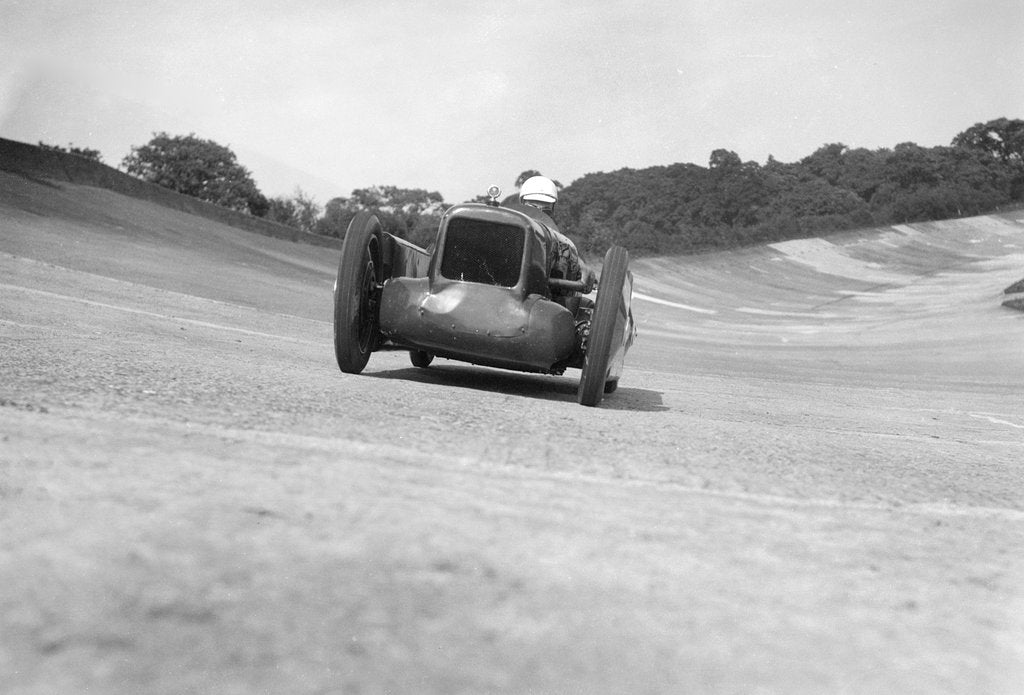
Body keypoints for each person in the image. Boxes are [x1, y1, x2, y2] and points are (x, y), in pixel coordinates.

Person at [516, 175, 597, 293]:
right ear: (522, 202)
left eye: (545, 209)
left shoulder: (559, 239)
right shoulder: (512, 228)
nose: (538, 212)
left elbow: (568, 253)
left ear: (553, 208)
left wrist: (581, 265)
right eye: (532, 207)